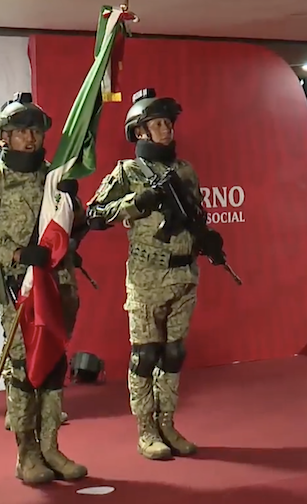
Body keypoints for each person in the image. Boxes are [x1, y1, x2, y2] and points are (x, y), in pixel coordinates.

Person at [0, 92, 88, 484]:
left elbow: (77, 225)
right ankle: (26, 453)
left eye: (35, 130)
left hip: (57, 281)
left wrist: (73, 203)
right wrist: (14, 253)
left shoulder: (54, 176)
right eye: (20, 131)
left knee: (54, 363)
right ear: (3, 137)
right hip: (21, 286)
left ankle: (51, 447)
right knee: (24, 368)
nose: (29, 138)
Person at [86, 88, 223, 461]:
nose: (166, 130)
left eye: (168, 123)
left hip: (183, 274)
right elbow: (93, 215)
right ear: (139, 131)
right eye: (157, 124)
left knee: (173, 353)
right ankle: (146, 430)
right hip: (147, 277)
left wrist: (207, 238)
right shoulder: (128, 172)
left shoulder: (185, 170)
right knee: (145, 356)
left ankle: (167, 423)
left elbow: (196, 215)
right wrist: (137, 202)